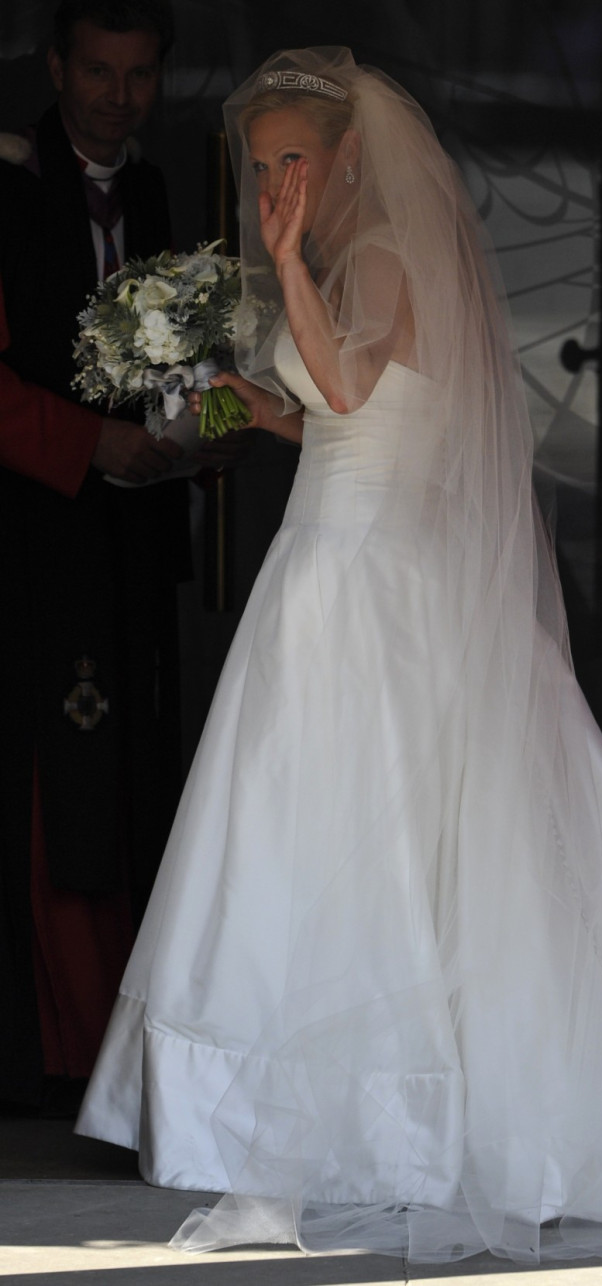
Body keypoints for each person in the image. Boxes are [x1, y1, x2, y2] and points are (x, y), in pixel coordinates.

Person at [76, 47, 602, 1264]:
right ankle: (272, 1158)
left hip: (371, 585)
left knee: (349, 854)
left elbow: (339, 376)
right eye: (257, 161)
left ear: (347, 161)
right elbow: (311, 410)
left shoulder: (378, 258)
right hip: (324, 569)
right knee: (291, 856)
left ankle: (340, 1154)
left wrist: (280, 276)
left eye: (292, 160)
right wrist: (205, 401)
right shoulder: (337, 267)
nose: (272, 182)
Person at [0, 0, 192, 1114]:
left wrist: (196, 443)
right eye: (100, 72)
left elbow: (195, 384)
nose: (119, 96)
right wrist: (92, 442)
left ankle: (127, 1062)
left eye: (139, 75)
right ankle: (60, 1059)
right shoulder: (4, 190)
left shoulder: (161, 195)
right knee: (54, 793)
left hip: (129, 541)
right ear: (56, 64)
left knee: (132, 786)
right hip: (30, 543)